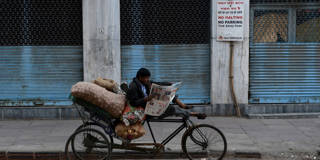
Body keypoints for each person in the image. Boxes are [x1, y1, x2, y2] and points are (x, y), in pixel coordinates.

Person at [126, 68, 206, 119]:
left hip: (152, 104)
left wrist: (169, 84)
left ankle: (182, 105)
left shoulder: (146, 83)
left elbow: (158, 83)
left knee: (167, 92)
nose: (148, 80)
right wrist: (146, 99)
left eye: (148, 78)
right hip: (146, 111)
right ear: (140, 77)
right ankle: (192, 114)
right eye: (146, 78)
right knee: (172, 109)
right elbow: (133, 103)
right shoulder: (133, 86)